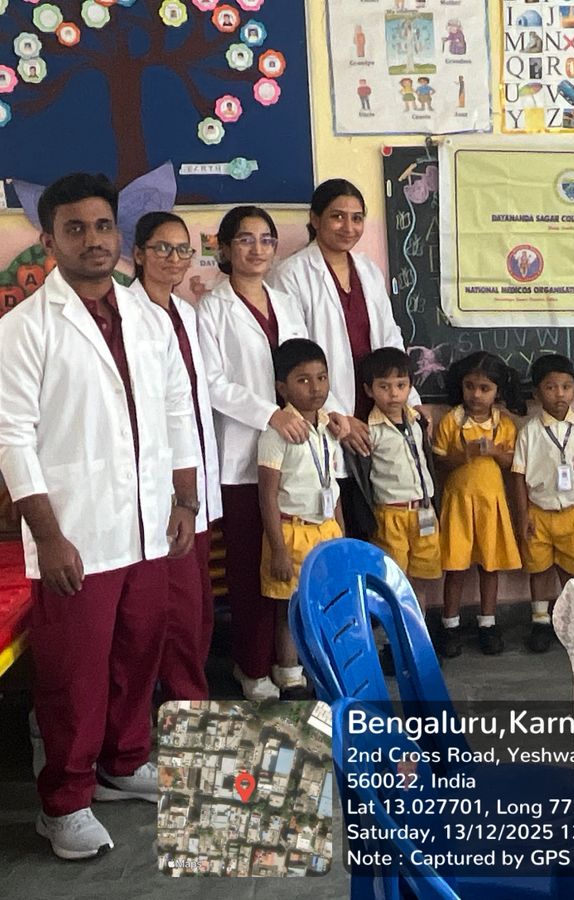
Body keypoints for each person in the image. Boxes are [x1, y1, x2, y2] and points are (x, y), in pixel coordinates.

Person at [0, 173, 199, 860]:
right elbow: (10, 435)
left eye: (103, 226)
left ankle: (122, 761)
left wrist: (185, 499)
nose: (93, 240)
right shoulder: (23, 328)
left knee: (141, 649)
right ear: (49, 240)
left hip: (146, 524)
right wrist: (47, 537)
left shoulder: (146, 316)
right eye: (75, 229)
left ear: (119, 232)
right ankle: (65, 801)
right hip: (75, 532)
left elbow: (175, 411)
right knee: (74, 673)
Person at [198, 206, 355, 701]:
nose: (257, 249)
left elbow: (308, 366)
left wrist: (330, 415)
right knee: (252, 568)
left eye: (266, 239)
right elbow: (212, 382)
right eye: (245, 240)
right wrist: (270, 414)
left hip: (301, 450)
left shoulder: (286, 301)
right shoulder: (211, 308)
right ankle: (251, 666)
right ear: (224, 249)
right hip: (246, 456)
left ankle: (290, 661)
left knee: (296, 569)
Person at [129, 211, 220, 701]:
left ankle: (188, 695)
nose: (173, 259)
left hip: (195, 477)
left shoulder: (185, 312)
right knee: (173, 609)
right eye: (161, 248)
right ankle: (184, 702)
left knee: (198, 603)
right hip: (158, 487)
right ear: (138, 253)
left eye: (182, 249)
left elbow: (191, 405)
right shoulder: (126, 314)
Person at [273, 179, 423, 421]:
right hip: (326, 407)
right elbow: (297, 353)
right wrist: (335, 412)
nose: (348, 227)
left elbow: (390, 336)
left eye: (357, 218)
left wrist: (410, 401)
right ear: (315, 219)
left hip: (379, 403)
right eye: (337, 217)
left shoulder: (369, 270)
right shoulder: (291, 274)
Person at [257, 338, 346, 700]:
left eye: (322, 378)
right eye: (303, 380)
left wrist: (341, 536)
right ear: (282, 388)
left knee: (324, 604)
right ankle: (291, 676)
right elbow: (266, 494)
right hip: (291, 533)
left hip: (326, 529)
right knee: (289, 609)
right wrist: (278, 549)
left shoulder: (329, 428)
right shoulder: (276, 434)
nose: (316, 388)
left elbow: (333, 486)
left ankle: (322, 669)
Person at [432, 352, 523, 656]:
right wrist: (465, 453)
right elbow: (440, 462)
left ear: (498, 391)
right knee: (455, 568)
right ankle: (450, 625)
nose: (476, 395)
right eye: (470, 386)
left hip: (491, 504)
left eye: (485, 388)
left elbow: (513, 463)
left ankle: (488, 623)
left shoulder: (504, 424)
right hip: (459, 502)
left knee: (489, 565)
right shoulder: (451, 421)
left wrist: (496, 452)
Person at [511, 354, 574, 652]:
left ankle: (572, 622)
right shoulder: (530, 431)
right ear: (537, 393)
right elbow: (519, 476)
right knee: (538, 569)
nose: (560, 394)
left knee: (572, 570)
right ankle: (540, 621)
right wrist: (523, 515)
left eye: (566, 386)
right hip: (539, 512)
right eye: (551, 387)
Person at [356, 347, 442, 631]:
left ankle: (418, 636)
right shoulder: (370, 430)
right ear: (369, 390)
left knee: (421, 579)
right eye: (384, 387)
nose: (393, 394)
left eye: (401, 386)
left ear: (410, 387)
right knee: (392, 581)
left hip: (423, 512)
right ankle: (393, 643)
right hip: (391, 515)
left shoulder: (418, 421)